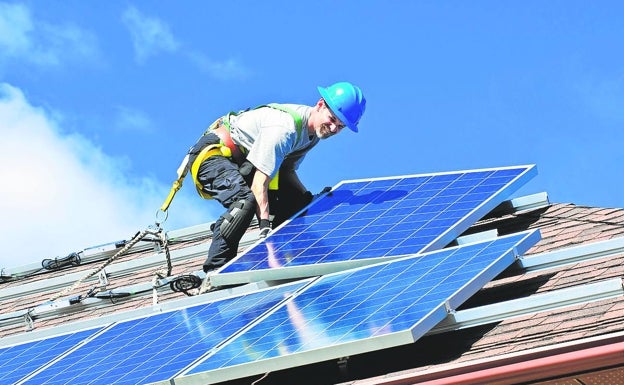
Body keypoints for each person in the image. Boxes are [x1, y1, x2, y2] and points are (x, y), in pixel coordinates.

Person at [185, 81, 366, 274]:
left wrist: (308, 199)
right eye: (332, 119)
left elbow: (286, 171)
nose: (332, 128)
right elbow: (259, 184)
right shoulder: (286, 129)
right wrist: (265, 232)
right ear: (320, 105)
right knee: (244, 203)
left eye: (340, 126)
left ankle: (288, 256)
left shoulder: (312, 136)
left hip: (244, 165)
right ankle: (216, 270)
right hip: (213, 156)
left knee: (298, 203)